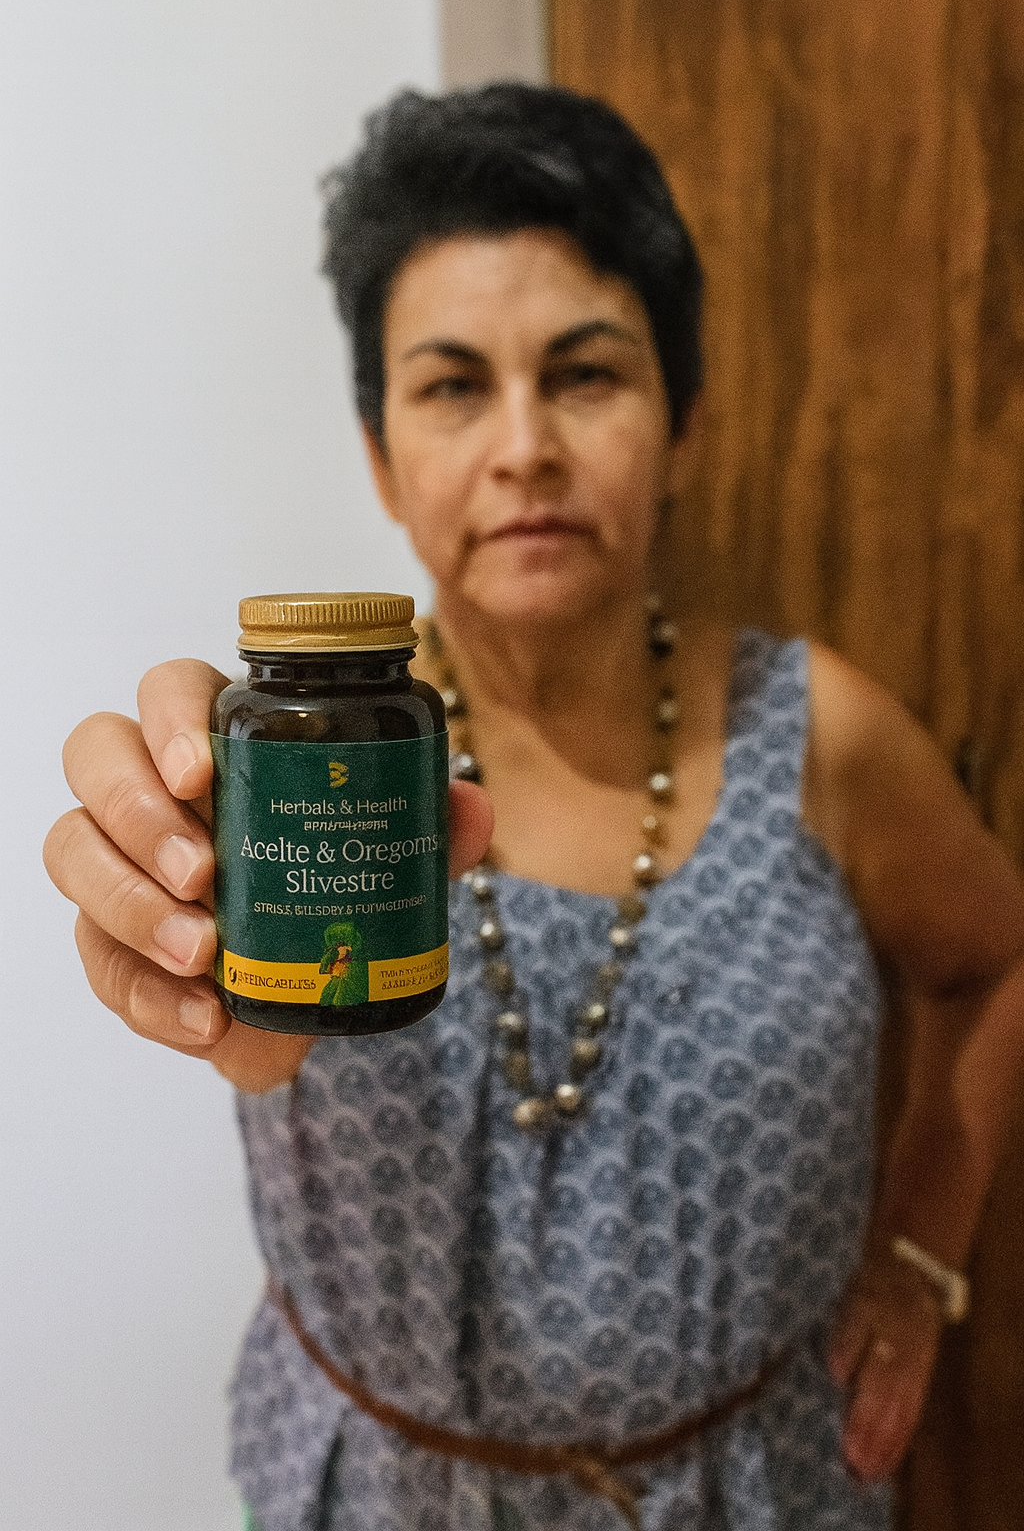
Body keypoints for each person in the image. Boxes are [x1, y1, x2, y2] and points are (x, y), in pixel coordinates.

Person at [43, 84, 1024, 1531]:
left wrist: (924, 1254)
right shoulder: (295, 777)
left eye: (586, 373)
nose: (524, 448)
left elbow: (991, 961)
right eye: (451, 385)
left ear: (684, 423)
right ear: (380, 457)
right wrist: (178, 918)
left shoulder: (826, 739)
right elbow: (242, 1024)